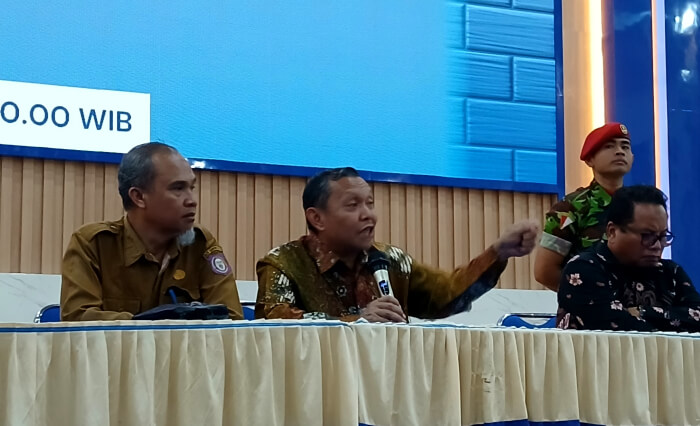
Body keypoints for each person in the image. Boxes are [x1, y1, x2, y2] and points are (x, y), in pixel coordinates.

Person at [255, 167, 539, 322]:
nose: (368, 215)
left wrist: (498, 253)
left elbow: (445, 295)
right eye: (353, 205)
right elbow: (277, 326)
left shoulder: (390, 260)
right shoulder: (283, 263)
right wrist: (357, 321)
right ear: (316, 218)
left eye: (370, 203)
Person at [61, 142, 243, 321]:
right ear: (139, 197)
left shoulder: (200, 243)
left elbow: (231, 319)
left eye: (192, 187)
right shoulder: (94, 244)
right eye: (178, 188)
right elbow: (77, 319)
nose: (192, 200)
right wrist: (158, 324)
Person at [557, 185, 700, 332]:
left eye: (663, 236)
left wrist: (642, 312)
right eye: (647, 236)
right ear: (612, 232)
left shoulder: (671, 272)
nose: (657, 246)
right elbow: (619, 331)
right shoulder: (583, 269)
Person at [534, 122, 633, 291]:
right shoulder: (570, 208)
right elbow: (545, 271)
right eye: (609, 146)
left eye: (625, 147)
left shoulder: (641, 206)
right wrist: (584, 296)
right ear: (589, 159)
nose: (619, 151)